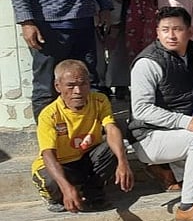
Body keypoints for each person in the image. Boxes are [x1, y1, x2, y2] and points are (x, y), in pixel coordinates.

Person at [128, 6, 193, 221]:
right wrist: (186, 121)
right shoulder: (148, 62)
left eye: (177, 29)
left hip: (181, 133)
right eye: (165, 30)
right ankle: (190, 206)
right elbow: (141, 110)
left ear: (190, 31)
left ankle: (171, 170)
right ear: (157, 32)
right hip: (149, 136)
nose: (171, 35)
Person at [31, 60, 133, 213]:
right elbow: (48, 154)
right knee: (51, 182)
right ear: (58, 86)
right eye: (71, 86)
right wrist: (65, 188)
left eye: (83, 84)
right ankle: (56, 196)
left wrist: (122, 161)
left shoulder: (99, 100)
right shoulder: (49, 115)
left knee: (113, 148)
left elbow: (111, 128)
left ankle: (93, 192)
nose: (78, 91)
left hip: (86, 158)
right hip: (62, 163)